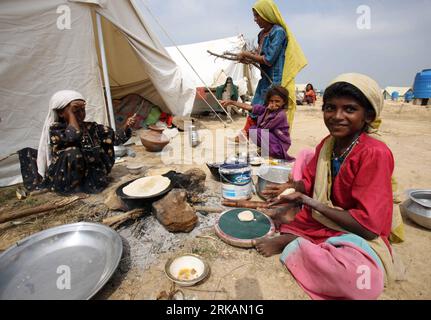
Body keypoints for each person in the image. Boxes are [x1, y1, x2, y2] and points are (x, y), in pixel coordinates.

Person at [255, 73, 397, 300]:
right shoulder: (328, 144)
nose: (336, 116)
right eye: (330, 108)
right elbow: (311, 182)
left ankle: (296, 243)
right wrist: (292, 187)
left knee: (361, 283)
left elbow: (368, 228)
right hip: (323, 219)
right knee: (303, 160)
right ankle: (308, 241)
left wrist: (306, 201)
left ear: (368, 115)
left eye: (349, 109)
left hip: (354, 231)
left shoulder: (374, 153)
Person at [18, 90, 136, 194]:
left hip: (91, 174)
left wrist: (126, 126)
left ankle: (85, 183)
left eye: (82, 110)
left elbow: (114, 138)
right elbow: (73, 136)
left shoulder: (91, 127)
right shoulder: (56, 130)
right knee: (73, 152)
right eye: (75, 110)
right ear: (60, 113)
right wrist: (71, 115)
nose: (81, 114)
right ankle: (73, 189)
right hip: (65, 177)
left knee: (97, 146)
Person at [235, 0, 307, 138]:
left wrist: (247, 55)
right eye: (254, 15)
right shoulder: (261, 34)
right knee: (256, 105)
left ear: (266, 14)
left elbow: (268, 59)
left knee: (271, 111)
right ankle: (247, 134)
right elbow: (259, 55)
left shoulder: (278, 32)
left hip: (275, 80)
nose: (255, 19)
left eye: (257, 15)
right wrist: (248, 58)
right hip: (264, 79)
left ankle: (270, 141)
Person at [221, 86, 294, 161]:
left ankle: (274, 154)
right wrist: (232, 102)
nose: (273, 104)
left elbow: (265, 128)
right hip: (272, 141)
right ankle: (267, 151)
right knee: (253, 129)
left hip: (280, 145)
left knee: (256, 131)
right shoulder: (265, 109)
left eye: (277, 101)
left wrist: (268, 111)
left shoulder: (281, 115)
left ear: (284, 102)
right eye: (271, 101)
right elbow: (249, 107)